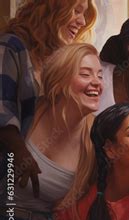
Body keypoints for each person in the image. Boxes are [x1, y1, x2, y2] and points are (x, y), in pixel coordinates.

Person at [0, 43, 102, 220]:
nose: (97, 82)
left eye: (100, 75)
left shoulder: (96, 137)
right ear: (60, 80)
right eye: (85, 74)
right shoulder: (27, 111)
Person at [0, 0, 97, 197]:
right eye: (76, 11)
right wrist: (20, 152)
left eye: (84, 14)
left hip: (45, 189)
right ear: (53, 8)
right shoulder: (11, 46)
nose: (81, 21)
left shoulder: (56, 59)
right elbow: (2, 108)